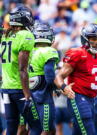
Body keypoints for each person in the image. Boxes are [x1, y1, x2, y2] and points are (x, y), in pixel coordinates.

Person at [0, 5, 41, 135]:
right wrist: (27, 95)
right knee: (37, 126)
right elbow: (22, 69)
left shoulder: (6, 35)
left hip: (5, 88)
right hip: (19, 89)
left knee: (11, 125)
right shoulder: (26, 35)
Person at [29, 22, 74, 135]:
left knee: (40, 129)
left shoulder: (29, 51)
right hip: (42, 95)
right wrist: (59, 88)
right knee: (47, 130)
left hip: (28, 94)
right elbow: (49, 77)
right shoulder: (49, 51)